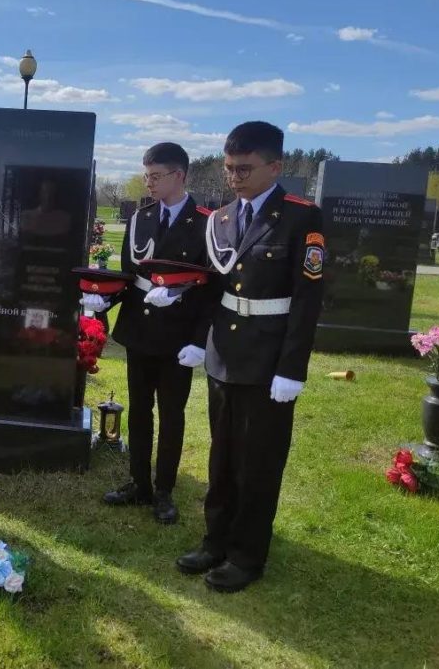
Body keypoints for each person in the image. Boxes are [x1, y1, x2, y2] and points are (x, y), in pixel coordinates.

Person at [177, 121, 324, 593]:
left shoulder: (301, 218)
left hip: (268, 359)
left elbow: (307, 300)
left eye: (244, 168)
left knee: (257, 462)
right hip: (225, 354)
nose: (234, 177)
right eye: (229, 168)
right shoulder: (220, 219)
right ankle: (215, 540)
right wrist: (200, 341)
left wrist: (291, 368)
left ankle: (247, 555)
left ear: (275, 167)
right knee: (222, 456)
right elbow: (211, 289)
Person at [84, 142, 214, 524]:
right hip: (141, 328)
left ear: (179, 175)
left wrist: (200, 340)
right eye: (146, 175)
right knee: (140, 410)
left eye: (156, 176)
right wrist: (104, 300)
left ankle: (164, 490)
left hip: (179, 335)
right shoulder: (142, 218)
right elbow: (130, 274)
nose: (149, 183)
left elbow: (212, 288)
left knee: (172, 414)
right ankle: (139, 482)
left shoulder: (205, 222)